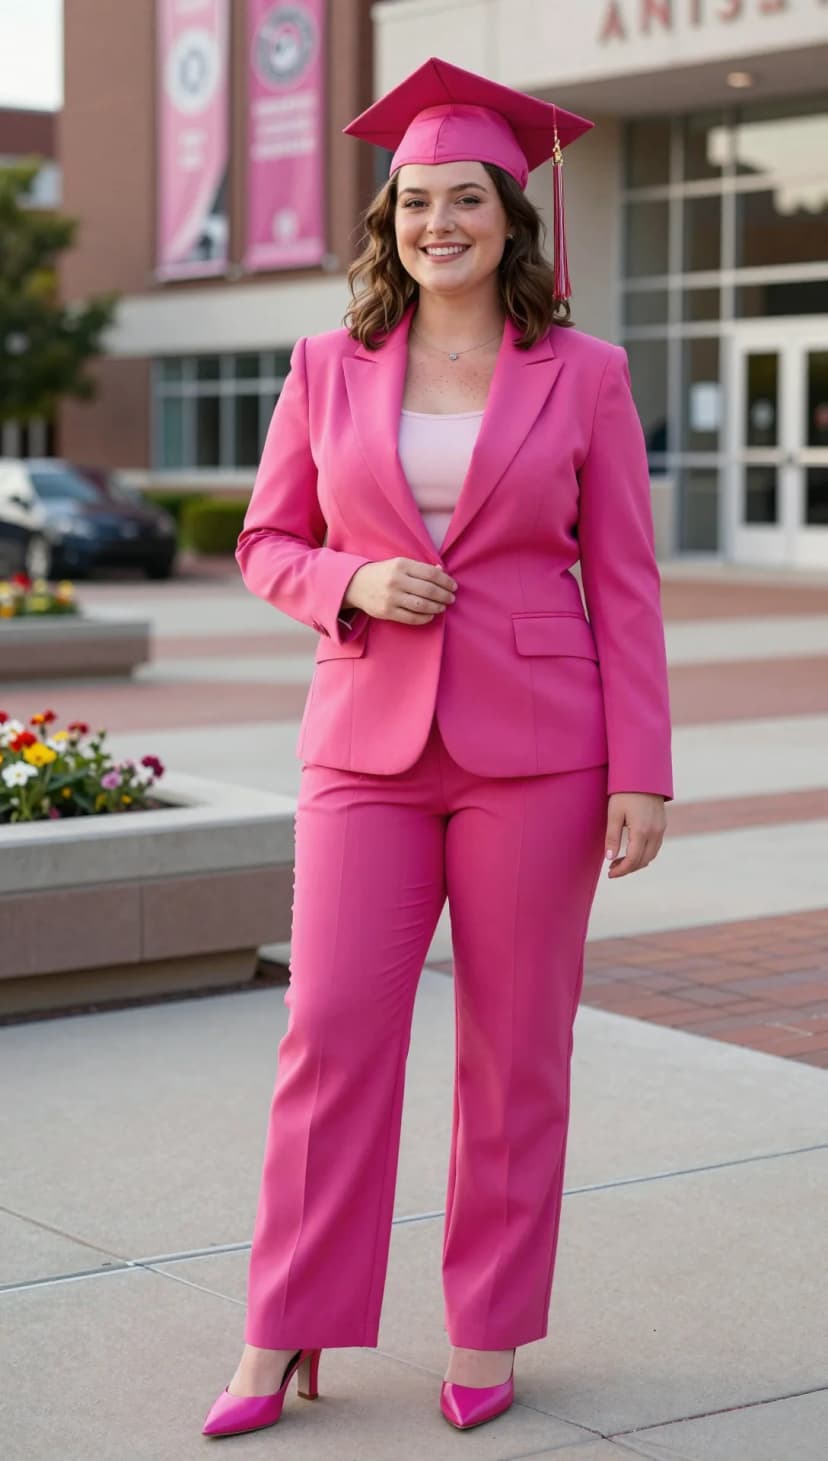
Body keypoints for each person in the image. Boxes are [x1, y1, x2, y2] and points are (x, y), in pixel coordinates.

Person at [201, 56, 673, 1440]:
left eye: (466, 199)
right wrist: (346, 582)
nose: (439, 222)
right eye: (417, 201)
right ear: (389, 220)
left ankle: (487, 1323)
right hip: (365, 743)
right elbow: (263, 540)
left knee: (515, 1046)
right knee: (330, 1031)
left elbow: (629, 580)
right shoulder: (321, 368)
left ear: (512, 219)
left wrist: (642, 767)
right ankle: (283, 1324)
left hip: (540, 749)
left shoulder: (586, 375)